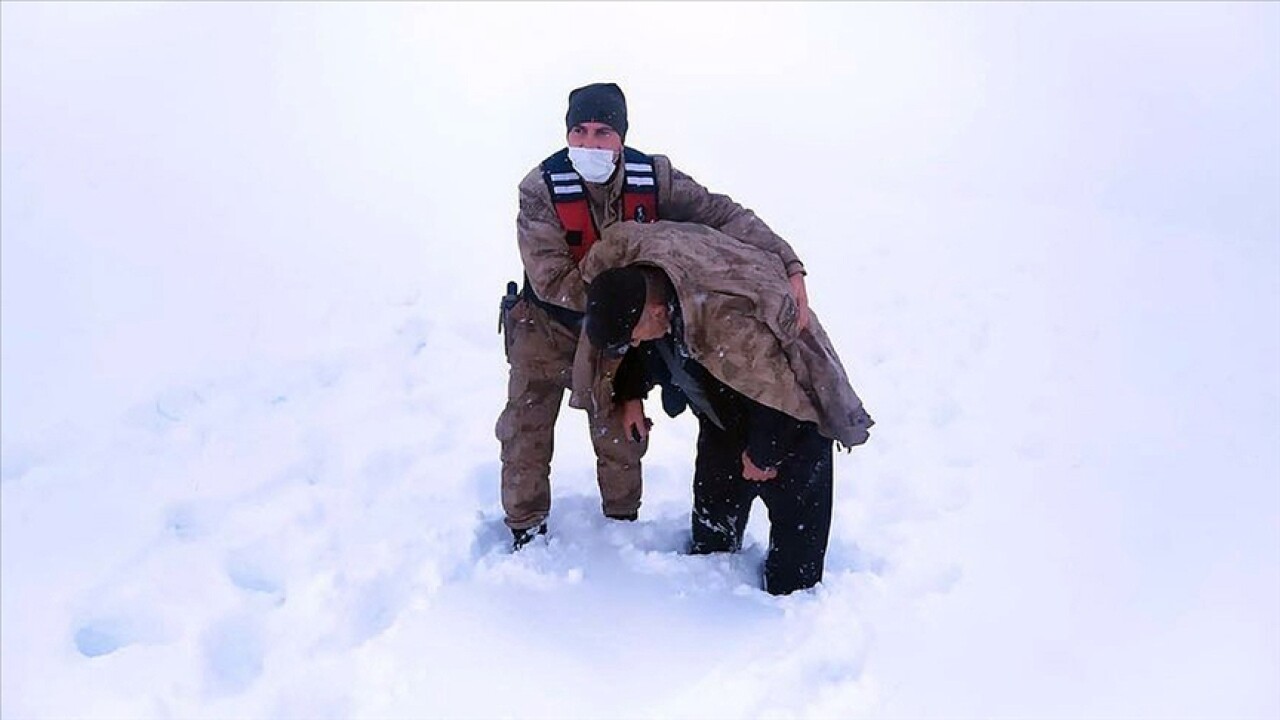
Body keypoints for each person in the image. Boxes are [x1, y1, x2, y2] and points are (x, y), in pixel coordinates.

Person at [497, 82, 814, 550]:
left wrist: (788, 263)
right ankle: (526, 528)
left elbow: (723, 215)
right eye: (579, 131)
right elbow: (553, 280)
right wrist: (640, 299)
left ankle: (620, 526)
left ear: (621, 137)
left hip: (625, 329)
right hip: (546, 329)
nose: (590, 143)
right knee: (525, 433)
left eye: (603, 132)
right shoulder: (539, 188)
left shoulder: (655, 178)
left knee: (621, 433)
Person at [575, 220, 874, 594]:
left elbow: (781, 391)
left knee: (795, 575)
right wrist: (632, 392)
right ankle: (714, 569)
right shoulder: (650, 284)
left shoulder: (724, 320)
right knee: (712, 533)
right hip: (726, 414)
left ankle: (788, 615)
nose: (634, 345)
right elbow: (645, 348)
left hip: (793, 424)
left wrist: (764, 455)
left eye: (633, 335)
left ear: (653, 312)